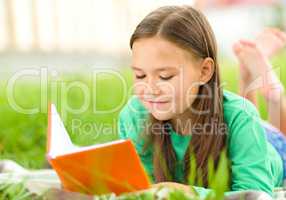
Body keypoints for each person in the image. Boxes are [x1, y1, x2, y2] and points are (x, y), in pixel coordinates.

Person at [117, 5, 284, 198]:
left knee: (272, 127)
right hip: (236, 122)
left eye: (165, 76)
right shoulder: (134, 116)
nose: (150, 89)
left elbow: (255, 195)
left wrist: (186, 192)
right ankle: (247, 76)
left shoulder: (241, 117)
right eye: (140, 75)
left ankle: (270, 89)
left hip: (272, 148)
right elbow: (144, 188)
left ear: (204, 71)